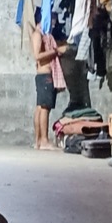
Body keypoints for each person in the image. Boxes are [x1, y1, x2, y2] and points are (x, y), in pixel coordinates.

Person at [30, 13, 68, 151]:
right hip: (45, 75)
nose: (54, 21)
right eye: (52, 17)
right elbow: (37, 56)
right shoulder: (38, 34)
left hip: (44, 75)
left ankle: (39, 141)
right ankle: (44, 140)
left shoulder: (44, 34)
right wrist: (56, 51)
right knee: (44, 108)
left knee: (41, 107)